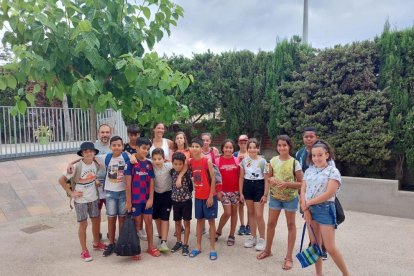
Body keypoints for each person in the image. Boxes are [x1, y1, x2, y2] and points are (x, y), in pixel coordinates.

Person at [301, 140, 349, 276]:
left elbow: (329, 193)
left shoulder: (333, 171)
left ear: (327, 155)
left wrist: (308, 204)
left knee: (330, 247)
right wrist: (305, 209)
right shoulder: (309, 170)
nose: (316, 158)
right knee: (315, 246)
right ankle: (319, 274)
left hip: (325, 210)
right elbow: (303, 189)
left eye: (320, 155)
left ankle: (346, 274)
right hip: (309, 210)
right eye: (314, 155)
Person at [257, 135, 303, 271]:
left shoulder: (295, 162)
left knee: (291, 225)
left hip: (290, 199)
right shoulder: (272, 160)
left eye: (284, 145)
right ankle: (268, 250)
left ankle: (289, 257)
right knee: (271, 224)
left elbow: (301, 183)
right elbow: (267, 177)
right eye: (279, 145)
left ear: (289, 146)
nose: (282, 147)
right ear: (276, 147)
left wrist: (287, 184)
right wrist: (266, 191)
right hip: (275, 198)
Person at [58, 142, 107, 262]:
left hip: (94, 197)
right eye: (85, 152)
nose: (88, 153)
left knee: (96, 221)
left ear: (94, 152)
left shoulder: (96, 164)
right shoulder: (76, 167)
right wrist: (71, 193)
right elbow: (61, 180)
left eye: (91, 151)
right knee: (83, 224)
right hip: (81, 200)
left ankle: (96, 243)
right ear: (82, 153)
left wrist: (95, 182)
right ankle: (84, 250)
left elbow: (92, 176)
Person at [296, 126, 331, 260]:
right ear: (303, 138)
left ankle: (322, 248)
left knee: (320, 222)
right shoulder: (299, 153)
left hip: (320, 196)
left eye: (311, 136)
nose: (309, 139)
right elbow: (299, 174)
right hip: (305, 194)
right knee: (309, 219)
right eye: (306, 136)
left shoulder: (323, 153)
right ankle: (314, 244)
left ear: (316, 138)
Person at [125, 137, 161, 259]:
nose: (145, 151)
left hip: (146, 200)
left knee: (149, 221)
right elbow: (127, 184)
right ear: (136, 148)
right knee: (136, 224)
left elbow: (151, 182)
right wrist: (129, 201)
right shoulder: (131, 163)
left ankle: (150, 247)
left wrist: (151, 198)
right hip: (135, 200)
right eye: (143, 148)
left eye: (147, 149)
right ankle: (135, 249)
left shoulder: (149, 164)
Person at [188, 137, 218, 260]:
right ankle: (198, 247)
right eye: (192, 146)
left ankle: (212, 248)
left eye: (197, 146)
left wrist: (211, 196)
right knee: (199, 221)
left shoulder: (207, 161)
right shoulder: (190, 162)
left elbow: (213, 178)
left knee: (211, 222)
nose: (194, 148)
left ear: (201, 148)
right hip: (198, 196)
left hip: (209, 196)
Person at [102, 136, 131, 257]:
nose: (116, 147)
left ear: (122, 146)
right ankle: (111, 243)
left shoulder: (126, 157)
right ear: (110, 147)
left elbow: (135, 158)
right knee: (111, 218)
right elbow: (89, 157)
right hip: (110, 193)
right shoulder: (107, 157)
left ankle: (121, 242)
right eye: (114, 145)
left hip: (123, 192)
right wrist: (72, 163)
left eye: (119, 145)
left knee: (122, 218)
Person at [239, 138, 267, 251]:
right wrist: (241, 193)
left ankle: (262, 239)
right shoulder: (244, 161)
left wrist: (265, 194)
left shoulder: (264, 162)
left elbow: (266, 179)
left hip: (259, 186)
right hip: (247, 186)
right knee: (250, 213)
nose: (252, 149)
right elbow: (241, 177)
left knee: (259, 214)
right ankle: (253, 237)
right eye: (250, 147)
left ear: (258, 148)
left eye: (254, 147)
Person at [123, 124, 147, 241]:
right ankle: (130, 231)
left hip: (141, 181)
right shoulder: (124, 147)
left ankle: (140, 229)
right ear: (128, 135)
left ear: (139, 134)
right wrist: (131, 155)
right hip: (129, 180)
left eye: (136, 134)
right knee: (131, 209)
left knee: (141, 208)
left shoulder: (142, 146)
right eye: (131, 135)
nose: (134, 137)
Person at [215, 139, 240, 246]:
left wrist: (241, 192)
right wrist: (218, 191)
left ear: (233, 149)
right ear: (222, 148)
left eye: (230, 147)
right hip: (223, 191)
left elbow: (241, 177)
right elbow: (215, 178)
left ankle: (231, 235)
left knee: (234, 213)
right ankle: (219, 230)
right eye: (226, 147)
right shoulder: (217, 161)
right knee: (227, 212)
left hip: (236, 191)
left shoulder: (237, 160)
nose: (228, 149)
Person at [170, 152, 193, 256]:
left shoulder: (187, 172)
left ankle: (185, 244)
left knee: (186, 223)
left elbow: (188, 163)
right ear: (172, 163)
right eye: (175, 164)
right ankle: (178, 242)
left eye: (180, 164)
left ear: (183, 164)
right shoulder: (171, 172)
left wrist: (181, 175)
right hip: (175, 201)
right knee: (177, 222)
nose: (178, 166)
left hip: (186, 201)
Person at [151, 148, 173, 253]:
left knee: (165, 217)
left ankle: (164, 241)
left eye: (159, 159)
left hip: (167, 194)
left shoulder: (169, 166)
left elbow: (184, 164)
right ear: (151, 159)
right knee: (157, 217)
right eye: (154, 159)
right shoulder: (150, 165)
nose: (157, 161)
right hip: (155, 194)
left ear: (164, 159)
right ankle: (160, 237)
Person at [233, 134, 250, 235]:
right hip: (238, 181)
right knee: (240, 204)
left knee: (249, 205)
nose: (243, 143)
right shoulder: (235, 154)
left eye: (245, 141)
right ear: (238, 143)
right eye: (241, 142)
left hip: (248, 182)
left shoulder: (251, 152)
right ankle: (242, 224)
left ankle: (249, 224)